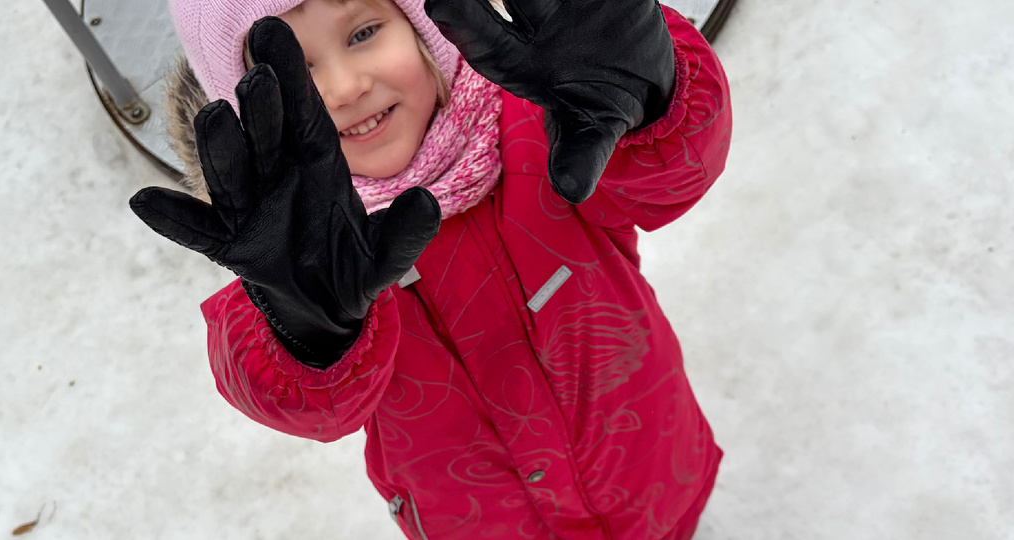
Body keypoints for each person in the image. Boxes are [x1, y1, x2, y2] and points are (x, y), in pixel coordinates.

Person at [130, 0, 732, 537]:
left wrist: (654, 102)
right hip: (475, 517)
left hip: (644, 460)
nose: (343, 87)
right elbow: (308, 406)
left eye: (364, 31)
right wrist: (306, 332)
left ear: (423, 27)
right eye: (296, 72)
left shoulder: (545, 126)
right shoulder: (299, 259)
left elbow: (665, 182)